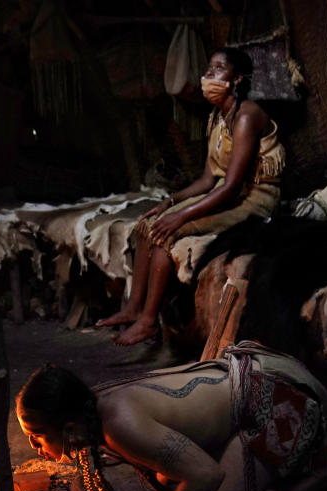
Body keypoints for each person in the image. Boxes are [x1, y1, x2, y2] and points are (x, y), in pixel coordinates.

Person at [15, 341, 327, 491]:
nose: (34, 447)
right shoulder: (90, 408)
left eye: (37, 436)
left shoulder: (119, 426)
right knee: (167, 479)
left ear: (69, 428)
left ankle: (324, 469)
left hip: (279, 403)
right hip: (252, 379)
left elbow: (207, 476)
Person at [97, 47, 285, 345]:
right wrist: (170, 203)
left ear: (236, 79)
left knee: (167, 233)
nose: (209, 75)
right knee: (151, 224)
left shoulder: (247, 116)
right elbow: (209, 179)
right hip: (226, 192)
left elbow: (233, 186)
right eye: (209, 68)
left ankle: (148, 322)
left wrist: (182, 216)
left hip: (253, 200)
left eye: (219, 69)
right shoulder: (217, 117)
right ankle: (134, 308)